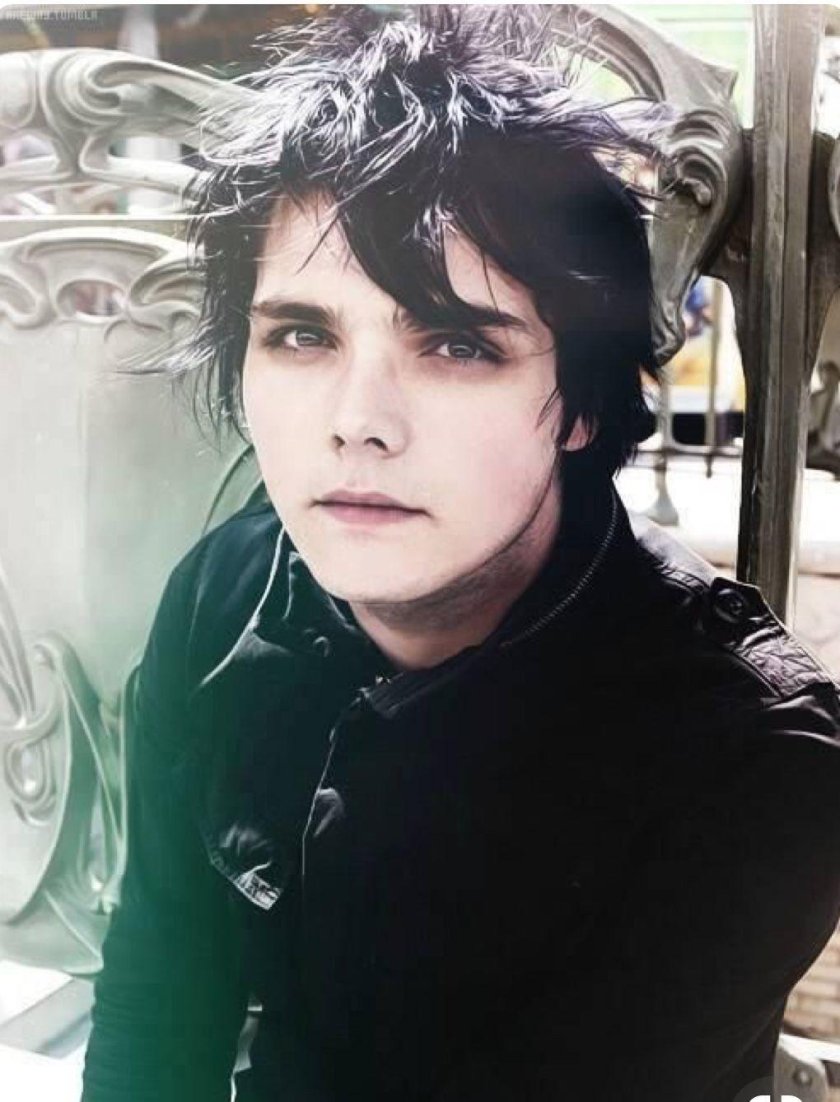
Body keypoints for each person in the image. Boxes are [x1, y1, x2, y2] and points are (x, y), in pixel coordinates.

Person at [81, 8, 840, 1102]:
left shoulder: (744, 759)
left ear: (582, 401)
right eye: (303, 335)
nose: (358, 422)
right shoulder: (227, 591)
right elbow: (158, 1002)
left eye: (455, 343)